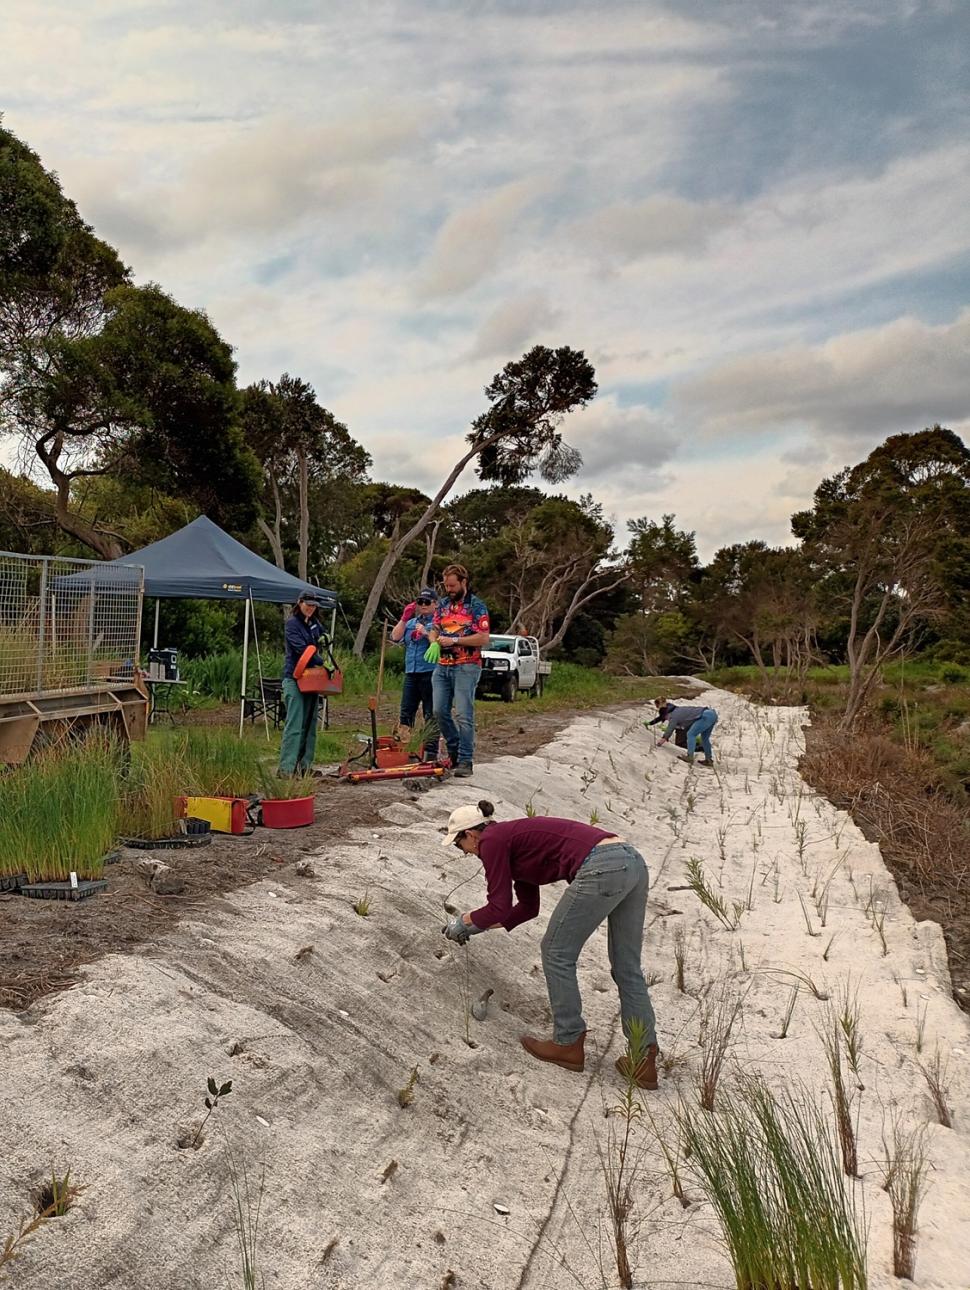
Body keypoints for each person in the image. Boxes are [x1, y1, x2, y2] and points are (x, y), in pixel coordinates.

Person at [441, 800, 659, 1089]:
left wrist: (463, 921)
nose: (465, 854)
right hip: (630, 861)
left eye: (459, 846)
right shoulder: (511, 841)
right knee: (627, 967)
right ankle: (643, 1059)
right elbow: (525, 908)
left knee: (556, 952)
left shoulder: (491, 840)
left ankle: (568, 1042)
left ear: (470, 835)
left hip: (601, 865)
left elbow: (497, 906)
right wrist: (474, 928)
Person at [426, 564, 490, 778]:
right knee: (438, 711)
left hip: (467, 665)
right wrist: (434, 641)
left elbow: (483, 637)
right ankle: (453, 750)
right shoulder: (443, 605)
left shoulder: (477, 606)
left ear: (464, 582)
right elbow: (434, 628)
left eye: (453, 585)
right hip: (442, 665)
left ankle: (465, 759)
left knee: (463, 713)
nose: (449, 590)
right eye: (446, 586)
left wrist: (455, 639)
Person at [279, 591, 327, 776]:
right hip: (295, 678)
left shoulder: (314, 623)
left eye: (314, 605)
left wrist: (326, 638)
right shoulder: (292, 624)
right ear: (299, 603)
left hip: (312, 680)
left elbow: (324, 636)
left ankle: (305, 767)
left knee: (309, 724)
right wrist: (323, 662)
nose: (311, 608)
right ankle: (286, 769)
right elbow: (301, 650)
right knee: (294, 725)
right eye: (308, 604)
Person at [390, 586, 439, 762]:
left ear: (435, 604)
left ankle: (430, 753)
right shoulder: (411, 623)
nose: (423, 605)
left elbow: (441, 641)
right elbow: (395, 637)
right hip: (412, 673)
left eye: (427, 602)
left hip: (430, 673)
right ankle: (406, 750)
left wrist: (426, 633)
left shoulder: (438, 623)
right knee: (406, 712)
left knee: (431, 714)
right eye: (420, 602)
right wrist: (404, 619)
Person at [656, 701, 718, 767]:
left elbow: (670, 728)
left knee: (691, 734)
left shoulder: (673, 716)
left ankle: (690, 757)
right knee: (704, 738)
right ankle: (708, 760)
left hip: (705, 716)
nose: (667, 720)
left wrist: (663, 739)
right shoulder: (678, 711)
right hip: (711, 714)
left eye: (665, 718)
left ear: (666, 714)